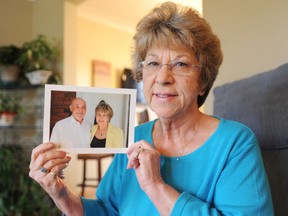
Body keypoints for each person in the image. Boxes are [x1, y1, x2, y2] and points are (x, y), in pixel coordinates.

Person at [29, 2, 274, 215]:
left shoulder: (235, 143)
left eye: (180, 64)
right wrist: (63, 196)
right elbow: (107, 211)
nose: (162, 77)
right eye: (153, 63)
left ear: (203, 82)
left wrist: (155, 186)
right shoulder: (132, 137)